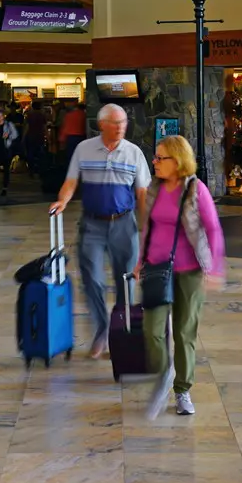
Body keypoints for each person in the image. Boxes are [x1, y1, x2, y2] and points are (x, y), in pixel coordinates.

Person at [52, 103, 151, 359]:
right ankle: (102, 328)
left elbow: (141, 193)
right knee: (92, 279)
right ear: (101, 124)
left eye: (123, 123)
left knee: (126, 280)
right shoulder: (84, 149)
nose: (120, 128)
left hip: (124, 223)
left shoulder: (134, 153)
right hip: (92, 224)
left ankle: (121, 333)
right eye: (115, 123)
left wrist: (145, 227)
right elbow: (71, 180)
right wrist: (62, 200)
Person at [136, 133, 225, 418]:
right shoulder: (154, 188)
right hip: (156, 269)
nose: (155, 162)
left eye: (161, 158)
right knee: (152, 330)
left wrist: (214, 268)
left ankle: (182, 390)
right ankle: (163, 376)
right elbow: (146, 228)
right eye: (155, 157)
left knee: (185, 332)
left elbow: (212, 229)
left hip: (189, 271)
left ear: (178, 161)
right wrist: (139, 261)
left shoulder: (195, 189)